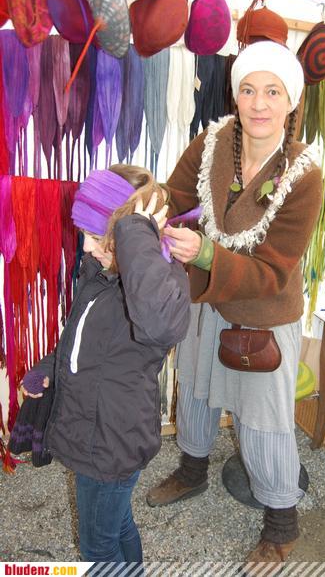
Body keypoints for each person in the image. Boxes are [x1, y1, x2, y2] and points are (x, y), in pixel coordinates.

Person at [146, 40, 323, 569]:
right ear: (235, 95)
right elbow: (177, 196)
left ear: (291, 101)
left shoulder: (303, 175)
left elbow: (273, 271)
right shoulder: (213, 142)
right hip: (205, 296)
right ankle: (193, 471)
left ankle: (281, 524)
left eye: (272, 92)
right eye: (248, 90)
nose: (258, 103)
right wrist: (144, 203)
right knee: (196, 391)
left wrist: (204, 252)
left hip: (263, 311)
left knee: (263, 421)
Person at [9, 165, 191, 564]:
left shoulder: (160, 286)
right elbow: (82, 343)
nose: (87, 248)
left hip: (110, 443)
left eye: (97, 237)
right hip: (92, 429)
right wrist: (49, 367)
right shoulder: (100, 275)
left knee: (98, 546)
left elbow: (160, 325)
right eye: (85, 235)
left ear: (131, 234)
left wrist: (134, 233)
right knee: (117, 526)